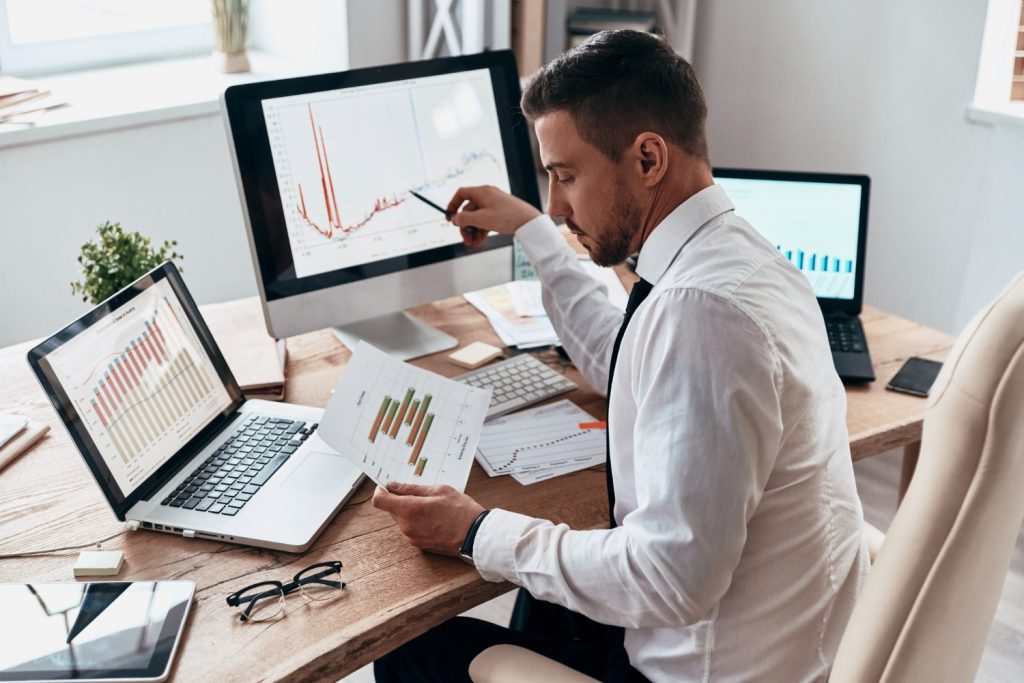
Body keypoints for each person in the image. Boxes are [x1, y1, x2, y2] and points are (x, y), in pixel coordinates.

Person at [372, 30, 868, 682]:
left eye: (566, 177)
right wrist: (533, 229)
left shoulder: (702, 314)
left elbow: (671, 579)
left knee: (413, 648)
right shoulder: (740, 258)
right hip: (774, 640)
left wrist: (473, 530)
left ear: (648, 159)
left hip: (702, 664)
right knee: (541, 592)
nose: (557, 202)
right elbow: (623, 354)